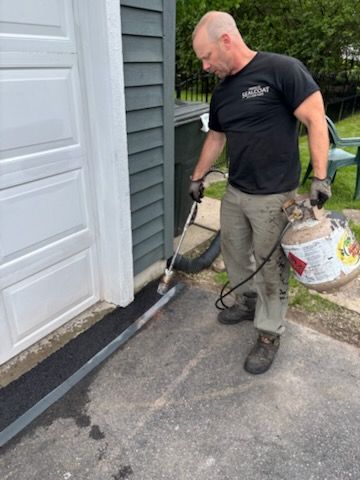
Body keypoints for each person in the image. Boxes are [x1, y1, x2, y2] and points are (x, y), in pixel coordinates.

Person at [189, 11, 331, 374]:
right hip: (236, 191)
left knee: (271, 269)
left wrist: (320, 177)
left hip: (274, 195)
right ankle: (246, 301)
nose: (205, 66)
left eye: (206, 57)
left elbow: (315, 118)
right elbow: (217, 136)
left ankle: (270, 333)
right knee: (236, 256)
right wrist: (198, 176)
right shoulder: (222, 91)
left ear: (226, 40)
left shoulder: (281, 70)